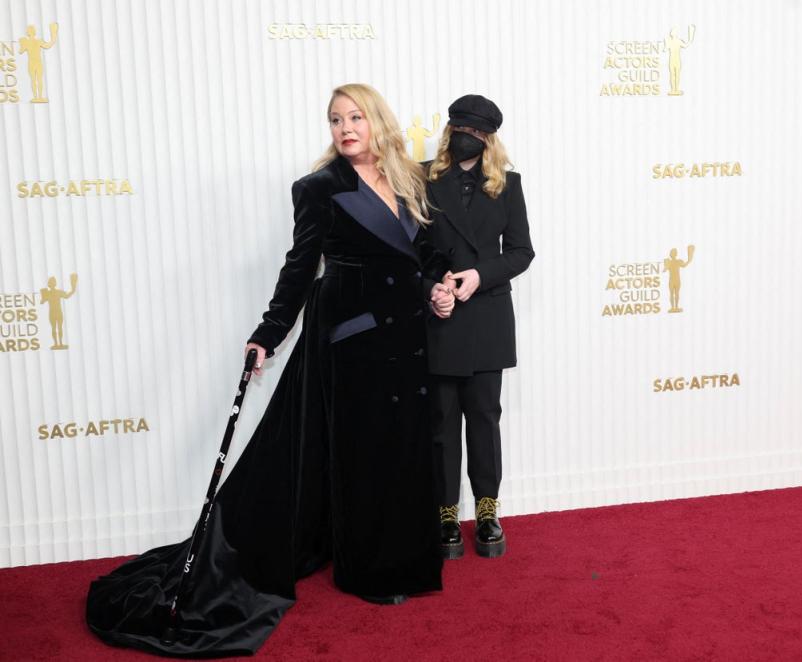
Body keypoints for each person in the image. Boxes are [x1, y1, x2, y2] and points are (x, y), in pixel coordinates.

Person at [86, 83, 456, 657]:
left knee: (404, 448)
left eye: (355, 117)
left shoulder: (410, 180)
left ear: (378, 120)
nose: (345, 128)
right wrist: (269, 331)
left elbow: (427, 254)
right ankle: (370, 572)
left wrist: (439, 287)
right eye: (335, 120)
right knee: (365, 454)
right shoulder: (318, 188)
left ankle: (403, 557)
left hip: (407, 337)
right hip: (351, 340)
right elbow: (300, 265)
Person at [424, 95, 534, 559]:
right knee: (442, 424)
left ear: (488, 139)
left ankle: (487, 513)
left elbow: (522, 252)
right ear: (450, 130)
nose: (465, 137)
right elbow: (412, 248)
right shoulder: (421, 178)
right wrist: (434, 286)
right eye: (459, 128)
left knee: (485, 421)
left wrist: (480, 275)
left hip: (488, 317)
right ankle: (446, 515)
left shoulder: (507, 184)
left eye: (476, 132)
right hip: (441, 317)